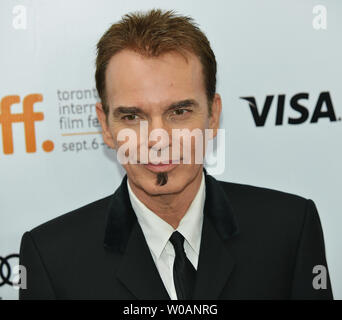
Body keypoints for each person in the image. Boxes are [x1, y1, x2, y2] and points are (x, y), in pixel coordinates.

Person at [19, 8, 333, 300]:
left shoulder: (290, 229)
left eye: (179, 111)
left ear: (213, 116)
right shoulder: (51, 259)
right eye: (132, 117)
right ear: (105, 125)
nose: (158, 139)